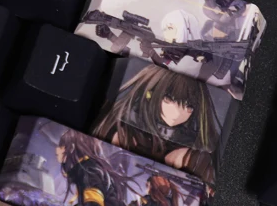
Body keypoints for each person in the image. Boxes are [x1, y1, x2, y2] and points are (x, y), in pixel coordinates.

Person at [92, 64, 220, 184]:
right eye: (169, 99)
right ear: (150, 94)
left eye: (189, 105)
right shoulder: (125, 130)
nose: (178, 113)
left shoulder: (188, 150)